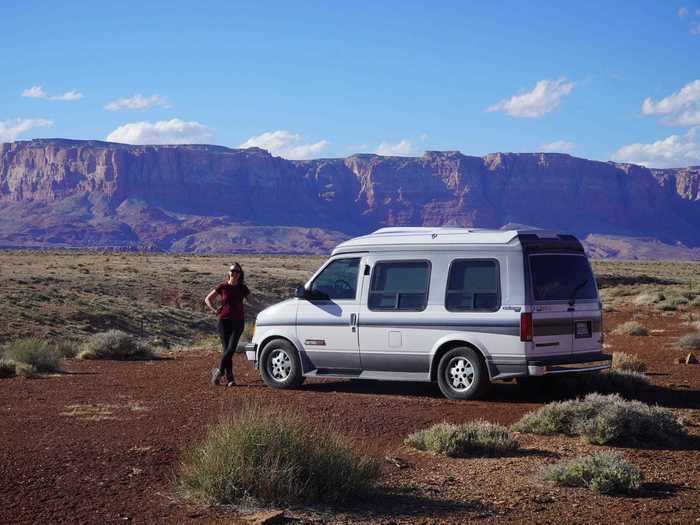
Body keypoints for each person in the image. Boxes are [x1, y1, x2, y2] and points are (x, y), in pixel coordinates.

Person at [204, 263, 250, 386]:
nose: (234, 273)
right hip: (224, 321)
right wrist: (214, 310)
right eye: (232, 270)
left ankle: (219, 371)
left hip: (238, 322)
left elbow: (251, 300)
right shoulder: (222, 287)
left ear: (240, 274)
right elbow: (208, 299)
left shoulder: (243, 288)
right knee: (226, 350)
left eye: (237, 271)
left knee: (230, 349)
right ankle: (230, 379)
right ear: (228, 273)